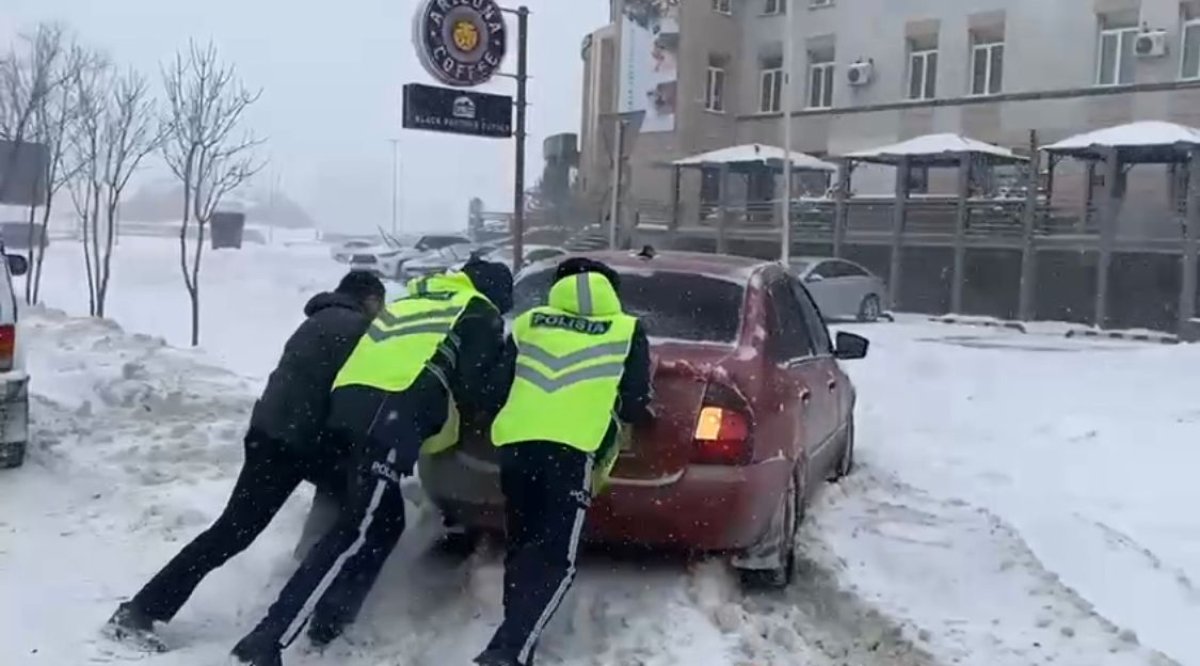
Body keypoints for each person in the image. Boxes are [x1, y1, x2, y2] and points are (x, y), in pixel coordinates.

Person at [230, 259, 513, 666]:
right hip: (390, 416)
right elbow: (478, 389)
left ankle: (329, 623)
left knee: (383, 523)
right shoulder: (478, 309)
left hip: (347, 409)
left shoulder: (416, 298)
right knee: (355, 532)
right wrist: (505, 358)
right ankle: (267, 637)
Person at [104, 270, 387, 652]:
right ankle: (327, 612)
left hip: (273, 437)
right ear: (370, 299)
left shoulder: (320, 319)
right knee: (370, 510)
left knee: (235, 530)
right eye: (380, 306)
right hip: (296, 444)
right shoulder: (356, 329)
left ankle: (144, 609)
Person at [475, 258, 654, 666]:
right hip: (573, 452)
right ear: (611, 291)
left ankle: (516, 642)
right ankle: (507, 653)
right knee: (557, 559)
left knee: (523, 548)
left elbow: (493, 391)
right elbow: (634, 401)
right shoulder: (626, 330)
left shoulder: (529, 322)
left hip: (517, 448)